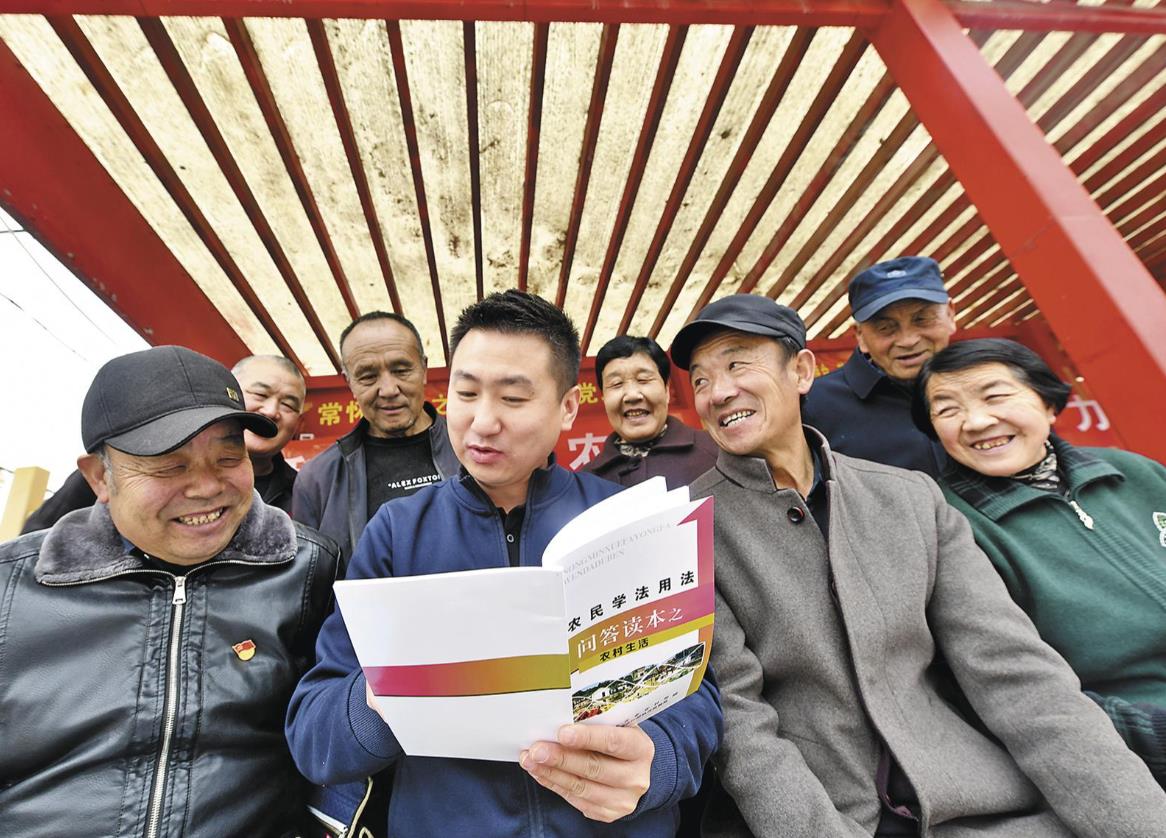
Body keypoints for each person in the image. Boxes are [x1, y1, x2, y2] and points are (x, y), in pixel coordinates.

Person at [669, 293, 1166, 837]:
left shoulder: (910, 498)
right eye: (701, 380)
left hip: (978, 805)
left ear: (803, 371)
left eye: (739, 364)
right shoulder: (687, 529)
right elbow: (740, 720)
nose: (718, 392)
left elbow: (1015, 673)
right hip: (826, 813)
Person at [286, 290, 722, 836]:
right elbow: (315, 735)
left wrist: (660, 758)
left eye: (513, 398)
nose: (483, 422)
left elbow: (696, 689)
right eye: (466, 393)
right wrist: (384, 694)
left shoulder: (628, 520)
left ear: (567, 407)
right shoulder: (396, 533)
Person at [0, 345, 340, 836]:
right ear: (99, 476)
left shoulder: (307, 570)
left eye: (229, 456)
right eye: (169, 465)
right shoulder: (12, 588)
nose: (206, 487)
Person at [912, 338, 1166, 787]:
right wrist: (1151, 734)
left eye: (995, 396)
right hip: (1130, 751)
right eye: (948, 410)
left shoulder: (1135, 472)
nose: (977, 421)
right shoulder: (950, 528)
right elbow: (1011, 688)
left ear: (1048, 403)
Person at [20, 352, 307, 532]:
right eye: (260, 394)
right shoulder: (118, 467)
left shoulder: (303, 490)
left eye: (289, 404)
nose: (272, 410)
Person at [292, 311, 458, 562]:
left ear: (424, 369)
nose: (389, 390)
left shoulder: (473, 447)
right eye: (368, 376)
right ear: (349, 382)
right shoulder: (318, 479)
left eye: (401, 370)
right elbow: (310, 572)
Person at [803, 255, 954, 477]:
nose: (908, 340)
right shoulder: (811, 406)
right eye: (885, 328)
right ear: (860, 336)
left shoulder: (982, 378)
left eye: (922, 320)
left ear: (950, 314)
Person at [584, 335, 718, 489]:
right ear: (604, 398)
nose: (632, 395)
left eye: (643, 380)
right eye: (616, 384)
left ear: (666, 390)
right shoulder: (587, 483)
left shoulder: (717, 450)